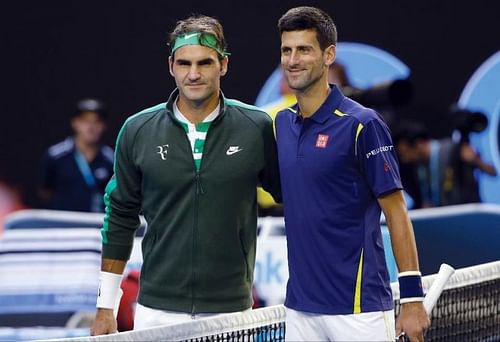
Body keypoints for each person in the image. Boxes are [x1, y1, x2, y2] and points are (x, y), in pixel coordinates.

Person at [90, 14, 281, 335]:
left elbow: (294, 198)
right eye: (184, 64)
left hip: (231, 309)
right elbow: (120, 217)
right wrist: (106, 306)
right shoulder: (138, 130)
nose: (193, 74)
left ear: (223, 65)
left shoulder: (256, 127)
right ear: (171, 66)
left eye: (205, 63)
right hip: (156, 311)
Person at [275, 6, 429, 341]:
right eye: (287, 50)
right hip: (300, 309)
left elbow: (397, 211)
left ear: (328, 54)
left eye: (304, 49)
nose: (293, 60)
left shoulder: (363, 124)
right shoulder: (282, 124)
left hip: (359, 311)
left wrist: (413, 298)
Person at [393, 121, 497, 208]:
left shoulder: (455, 150)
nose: (404, 160)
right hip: (443, 221)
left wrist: (476, 161)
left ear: (419, 144)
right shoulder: (419, 167)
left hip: (467, 216)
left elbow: (493, 171)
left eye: (405, 153)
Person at [37, 99, 114, 212]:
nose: (91, 127)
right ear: (75, 123)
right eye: (85, 121)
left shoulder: (111, 159)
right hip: (63, 225)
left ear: (103, 126)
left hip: (97, 225)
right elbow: (45, 192)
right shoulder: (55, 156)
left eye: (96, 121)